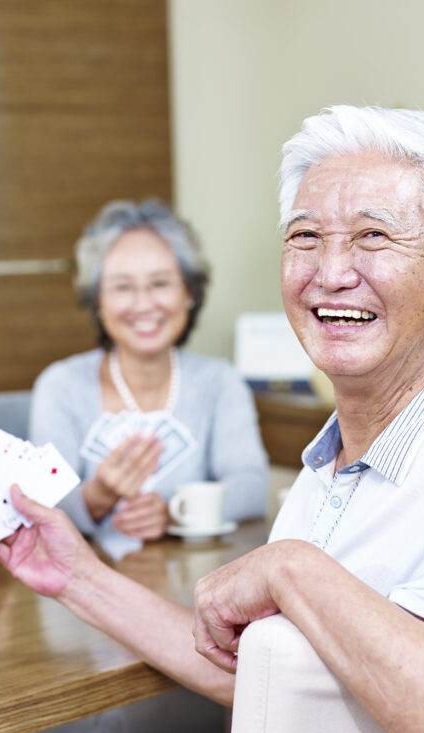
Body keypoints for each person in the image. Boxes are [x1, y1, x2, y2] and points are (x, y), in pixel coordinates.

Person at [0, 105, 424, 733]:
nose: (330, 272)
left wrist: (291, 569)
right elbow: (270, 673)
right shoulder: (338, 455)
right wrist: (78, 577)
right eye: (305, 237)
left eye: (372, 237)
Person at [29, 198, 268, 541]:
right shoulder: (61, 385)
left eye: (160, 283)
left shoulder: (220, 382)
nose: (143, 304)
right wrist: (98, 496)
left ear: (189, 292)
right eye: (123, 287)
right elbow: (41, 505)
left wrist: (173, 513)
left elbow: (252, 488)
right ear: (98, 301)